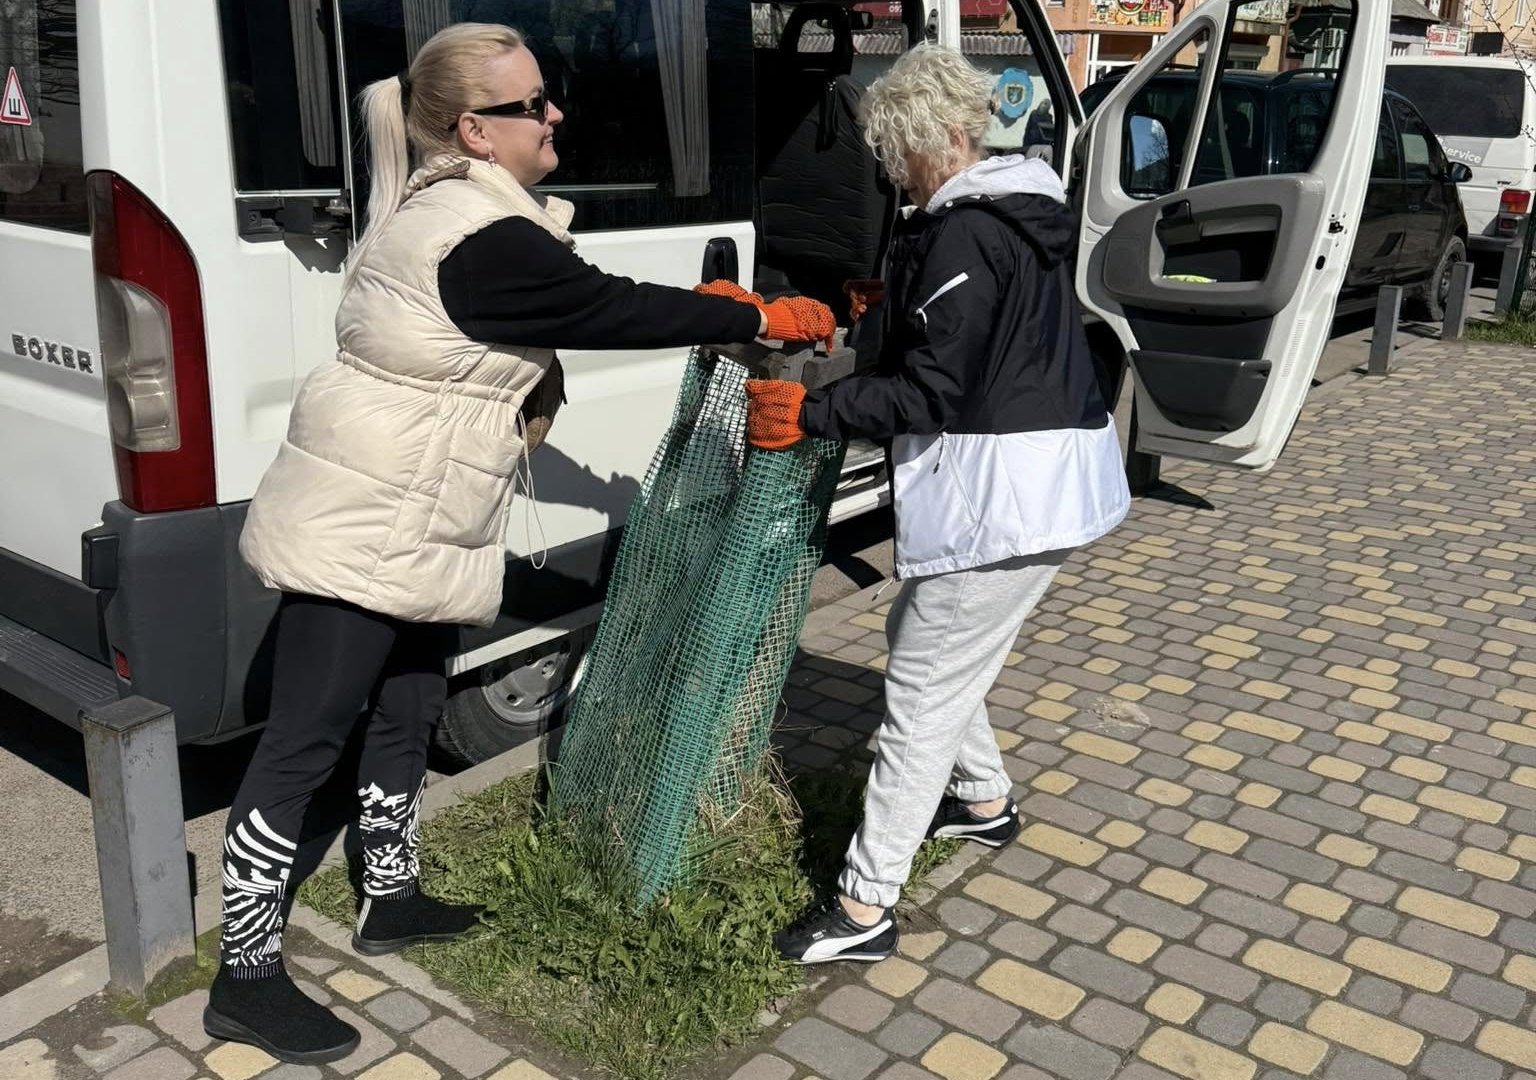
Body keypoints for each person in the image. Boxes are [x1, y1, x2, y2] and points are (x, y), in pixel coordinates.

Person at [209, 22, 833, 1065]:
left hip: (420, 508)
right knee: (305, 739)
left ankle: (390, 895)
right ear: (474, 130)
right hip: (371, 514)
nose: (555, 115)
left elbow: (560, 305)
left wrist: (716, 311)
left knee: (410, 703)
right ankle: (246, 973)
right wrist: (750, 315)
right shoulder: (475, 232)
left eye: (548, 96)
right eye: (532, 103)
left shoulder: (476, 212)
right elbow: (596, 305)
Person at [759, 44, 1130, 965]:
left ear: (944, 139)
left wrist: (812, 411)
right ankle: (984, 802)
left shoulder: (964, 231)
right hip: (1045, 482)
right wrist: (888, 309)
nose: (894, 173)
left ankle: (863, 909)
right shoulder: (1014, 209)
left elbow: (932, 389)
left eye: (900, 154)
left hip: (1005, 499)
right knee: (925, 645)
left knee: (921, 695)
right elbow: (978, 338)